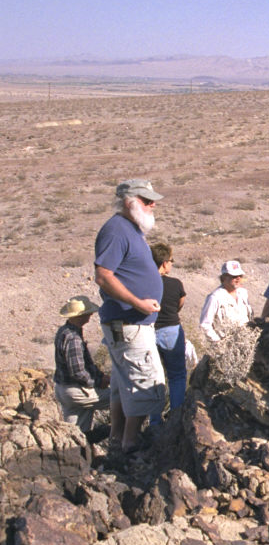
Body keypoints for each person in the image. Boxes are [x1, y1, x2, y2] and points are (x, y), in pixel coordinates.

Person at [94, 179, 166, 454]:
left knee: (124, 383)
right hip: (129, 323)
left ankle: (118, 439)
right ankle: (130, 442)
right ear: (129, 202)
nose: (153, 205)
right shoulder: (116, 231)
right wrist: (138, 303)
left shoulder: (131, 230)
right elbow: (103, 276)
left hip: (130, 323)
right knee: (143, 379)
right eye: (146, 201)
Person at [53, 295, 110, 434]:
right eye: (88, 313)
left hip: (63, 389)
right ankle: (121, 437)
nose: (90, 315)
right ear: (81, 316)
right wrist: (97, 382)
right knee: (120, 398)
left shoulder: (64, 331)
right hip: (76, 390)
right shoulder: (73, 338)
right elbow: (78, 371)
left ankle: (77, 452)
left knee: (76, 433)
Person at [149, 243, 190, 426]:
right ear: (164, 263)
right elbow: (180, 304)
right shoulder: (175, 284)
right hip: (171, 330)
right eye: (171, 261)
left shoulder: (145, 284)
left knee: (153, 377)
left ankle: (155, 421)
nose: (172, 264)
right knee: (177, 375)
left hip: (149, 332)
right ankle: (176, 417)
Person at [199, 260, 253, 342]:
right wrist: (219, 343)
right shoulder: (215, 297)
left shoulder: (243, 293)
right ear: (224, 277)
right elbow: (205, 325)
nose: (238, 278)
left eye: (240, 276)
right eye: (234, 276)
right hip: (226, 346)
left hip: (246, 342)